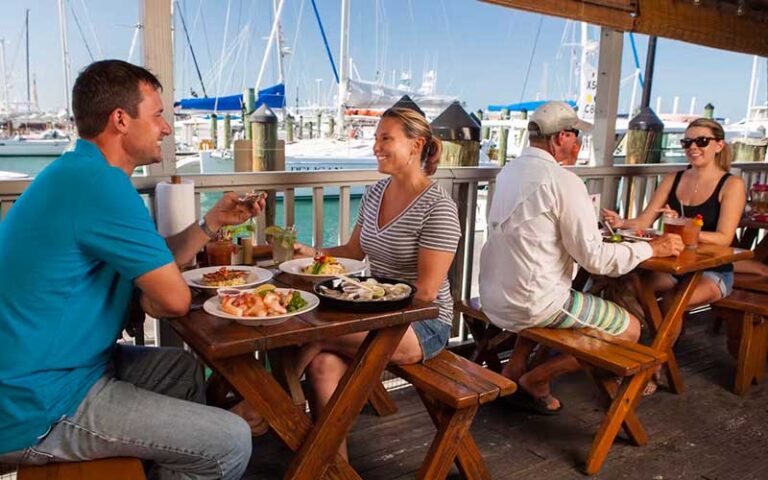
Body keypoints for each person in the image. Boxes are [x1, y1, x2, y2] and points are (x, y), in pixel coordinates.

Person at [0, 60, 266, 479]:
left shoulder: (79, 173)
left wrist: (210, 223)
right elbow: (175, 299)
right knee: (229, 441)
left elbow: (158, 257)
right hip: (38, 402)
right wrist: (152, 295)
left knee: (180, 370)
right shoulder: (99, 185)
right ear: (121, 120)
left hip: (62, 368)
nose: (166, 127)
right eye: (158, 114)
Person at [478, 101, 684, 414]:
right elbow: (596, 259)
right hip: (531, 304)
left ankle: (515, 368)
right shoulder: (564, 181)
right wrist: (652, 248)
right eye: (577, 136)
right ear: (561, 137)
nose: (579, 143)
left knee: (555, 294)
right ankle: (538, 377)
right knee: (631, 329)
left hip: (495, 296)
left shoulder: (510, 171)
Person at [292, 107, 461, 458]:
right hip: (376, 313)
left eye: (386, 138)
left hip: (423, 323)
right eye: (375, 138)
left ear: (416, 145)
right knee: (322, 364)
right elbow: (353, 251)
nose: (375, 147)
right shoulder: (374, 193)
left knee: (309, 331)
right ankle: (333, 467)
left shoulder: (438, 207)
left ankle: (272, 402)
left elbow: (427, 294)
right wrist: (310, 254)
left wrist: (364, 310)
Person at [602, 118, 746, 308]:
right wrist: (621, 223)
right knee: (628, 287)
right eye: (687, 142)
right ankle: (644, 333)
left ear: (719, 145)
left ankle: (656, 335)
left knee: (673, 301)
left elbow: (724, 238)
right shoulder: (673, 178)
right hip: (674, 264)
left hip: (713, 271)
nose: (693, 147)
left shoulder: (732, 185)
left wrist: (682, 230)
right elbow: (644, 221)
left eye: (702, 141)